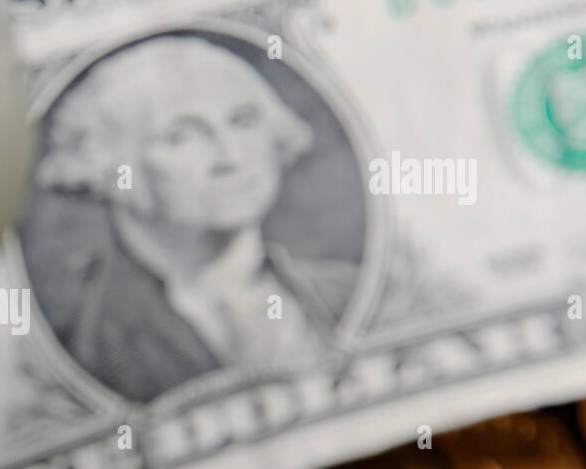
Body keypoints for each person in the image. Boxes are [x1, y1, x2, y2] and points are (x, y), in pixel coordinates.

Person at [26, 35, 359, 402]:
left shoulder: (344, 292)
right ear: (109, 167)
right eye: (182, 137)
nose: (230, 157)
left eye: (242, 122)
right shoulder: (87, 343)